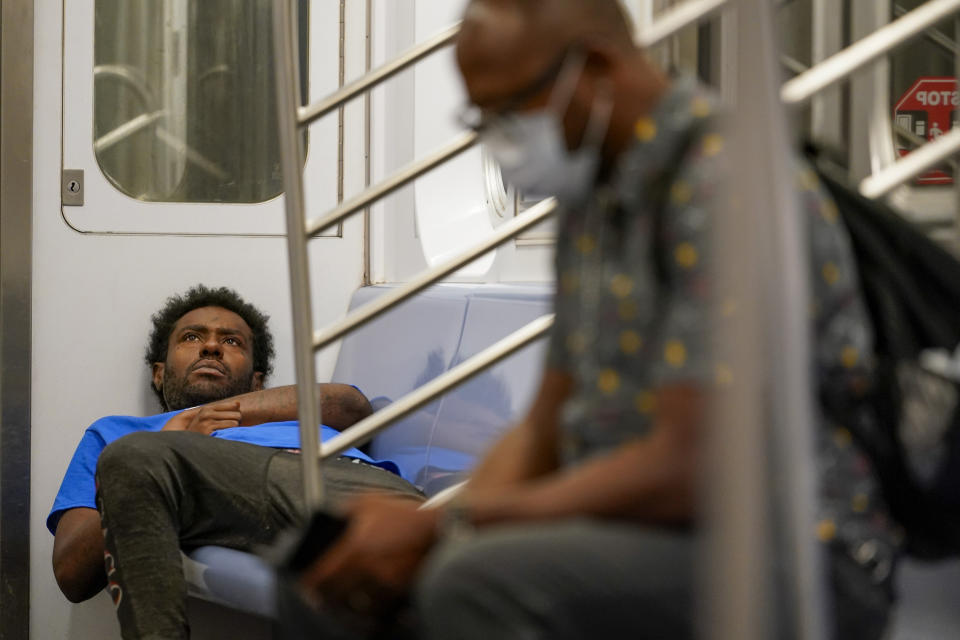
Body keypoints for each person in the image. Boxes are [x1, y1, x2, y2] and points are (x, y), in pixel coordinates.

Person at [295, 1, 899, 639]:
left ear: (599, 68)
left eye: (510, 109)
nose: (500, 137)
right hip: (638, 533)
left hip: (784, 547)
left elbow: (690, 467)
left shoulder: (723, 187)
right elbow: (544, 427)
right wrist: (443, 523)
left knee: (472, 583)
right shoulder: (595, 203)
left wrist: (451, 527)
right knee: (335, 579)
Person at [48, 284, 422, 639]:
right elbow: (72, 573)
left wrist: (207, 415)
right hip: (226, 509)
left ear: (257, 382)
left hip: (347, 482)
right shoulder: (116, 435)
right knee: (132, 455)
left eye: (231, 341)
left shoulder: (289, 410)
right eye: (191, 337)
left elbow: (350, 404)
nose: (211, 347)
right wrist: (172, 448)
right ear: (159, 373)